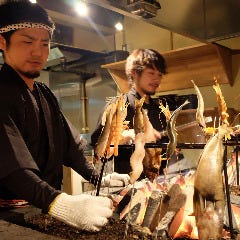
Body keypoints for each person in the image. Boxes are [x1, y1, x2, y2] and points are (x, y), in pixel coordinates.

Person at [0, 0, 130, 232]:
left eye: (45, 43)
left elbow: (70, 147)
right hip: (7, 217)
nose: (37, 51)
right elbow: (12, 166)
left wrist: (98, 177)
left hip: (42, 208)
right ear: (2, 42)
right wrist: (61, 203)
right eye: (27, 42)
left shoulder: (45, 94)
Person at [91, 48, 169, 175]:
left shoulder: (160, 110)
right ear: (134, 73)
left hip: (155, 185)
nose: (156, 79)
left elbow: (165, 154)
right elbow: (99, 151)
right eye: (151, 73)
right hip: (126, 187)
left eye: (159, 75)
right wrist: (129, 135)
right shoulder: (116, 106)